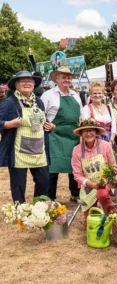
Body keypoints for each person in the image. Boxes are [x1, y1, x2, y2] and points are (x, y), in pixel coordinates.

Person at [0, 71, 55, 203]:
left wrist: (50, 126)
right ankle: (20, 211)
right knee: (18, 184)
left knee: (44, 180)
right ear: (17, 85)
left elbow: (43, 122)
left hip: (39, 151)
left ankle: (38, 208)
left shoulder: (39, 102)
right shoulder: (9, 103)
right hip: (19, 152)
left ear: (34, 84)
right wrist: (8, 124)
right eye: (23, 81)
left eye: (30, 81)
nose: (27, 83)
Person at [41, 66, 83, 201]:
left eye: (69, 77)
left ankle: (75, 194)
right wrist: (47, 124)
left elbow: (81, 114)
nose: (67, 80)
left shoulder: (75, 95)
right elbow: (40, 114)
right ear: (57, 79)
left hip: (73, 136)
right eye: (63, 77)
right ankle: (50, 197)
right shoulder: (48, 95)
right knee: (53, 168)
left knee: (74, 166)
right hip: (54, 136)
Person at [71, 118, 117, 220]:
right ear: (81, 134)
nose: (88, 134)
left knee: (102, 193)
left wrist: (105, 181)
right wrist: (92, 185)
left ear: (96, 132)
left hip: (106, 183)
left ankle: (110, 215)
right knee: (91, 221)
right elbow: (77, 175)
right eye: (85, 131)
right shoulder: (77, 150)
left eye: (91, 130)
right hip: (88, 187)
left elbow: (114, 168)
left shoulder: (105, 146)